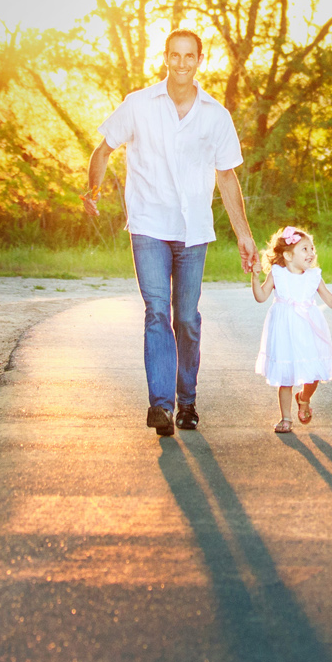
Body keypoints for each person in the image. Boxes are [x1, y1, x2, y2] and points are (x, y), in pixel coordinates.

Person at [84, 30, 257, 438]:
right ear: (165, 58)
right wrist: (92, 189)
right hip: (148, 225)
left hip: (193, 230)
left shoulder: (215, 115)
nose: (182, 63)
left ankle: (187, 400)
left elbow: (227, 176)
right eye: (175, 55)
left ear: (200, 60)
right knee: (157, 311)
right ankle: (160, 406)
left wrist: (244, 234)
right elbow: (104, 149)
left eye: (189, 56)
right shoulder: (139, 104)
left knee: (187, 319)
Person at [249, 225, 332, 433]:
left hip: (308, 330)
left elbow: (330, 299)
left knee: (313, 375)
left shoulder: (314, 276)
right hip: (284, 331)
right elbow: (261, 297)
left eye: (312, 249)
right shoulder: (277, 274)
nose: (311, 253)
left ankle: (304, 398)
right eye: (305, 249)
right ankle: (286, 418)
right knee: (286, 376)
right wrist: (254, 278)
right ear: (288, 255)